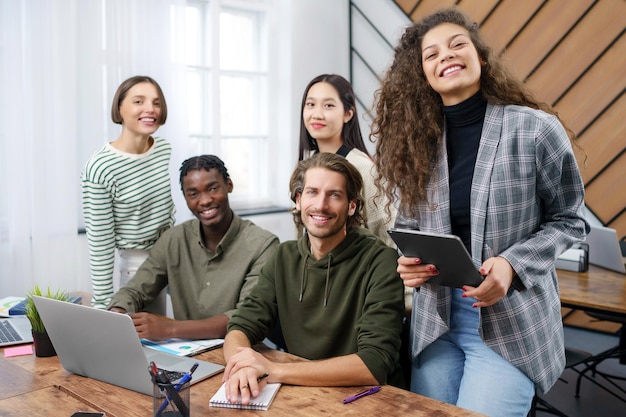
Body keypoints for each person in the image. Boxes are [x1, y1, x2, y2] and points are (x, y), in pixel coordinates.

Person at [370, 8, 588, 417]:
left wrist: (512, 264)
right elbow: (409, 225)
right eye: (431, 55)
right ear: (423, 74)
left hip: (512, 322)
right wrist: (409, 262)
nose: (445, 57)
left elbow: (571, 219)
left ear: (480, 57)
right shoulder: (418, 144)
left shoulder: (534, 128)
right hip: (435, 322)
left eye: (457, 45)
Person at [221, 153, 405, 405]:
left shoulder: (380, 260)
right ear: (298, 200)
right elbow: (241, 325)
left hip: (365, 400)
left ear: (352, 206)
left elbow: (373, 364)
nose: (321, 205)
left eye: (334, 195)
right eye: (312, 192)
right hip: (303, 394)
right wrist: (241, 365)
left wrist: (275, 370)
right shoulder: (283, 256)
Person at [108, 155, 279, 340]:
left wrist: (170, 329)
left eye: (212, 189)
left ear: (229, 185)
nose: (204, 200)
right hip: (185, 350)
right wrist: (118, 312)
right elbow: (135, 290)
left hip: (239, 352)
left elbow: (245, 317)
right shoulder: (174, 239)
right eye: (193, 194)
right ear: (185, 198)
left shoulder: (263, 245)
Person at [81, 76, 176, 310]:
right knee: (141, 341)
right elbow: (100, 242)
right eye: (138, 101)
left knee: (182, 336)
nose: (150, 109)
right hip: (137, 267)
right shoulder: (100, 167)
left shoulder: (162, 149)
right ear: (119, 108)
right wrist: (102, 305)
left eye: (156, 102)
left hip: (173, 256)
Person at [298, 74, 396, 248]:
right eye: (311, 104)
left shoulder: (364, 168)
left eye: (328, 105)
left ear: (348, 114)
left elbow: (387, 238)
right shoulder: (305, 166)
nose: (317, 114)